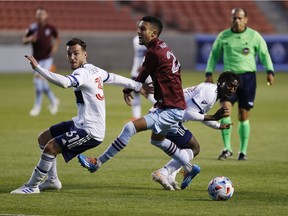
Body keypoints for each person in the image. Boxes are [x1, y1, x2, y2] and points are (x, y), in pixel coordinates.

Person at [10, 38, 151, 194]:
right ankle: (52, 181)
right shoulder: (94, 70)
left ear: (85, 54)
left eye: (76, 53)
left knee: (51, 147)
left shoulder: (82, 73)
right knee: (43, 138)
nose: (72, 57)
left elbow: (64, 83)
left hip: (90, 131)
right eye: (69, 54)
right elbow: (113, 77)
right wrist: (137, 85)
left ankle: (32, 186)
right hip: (79, 123)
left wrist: (38, 68)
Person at [79, 16, 204, 190]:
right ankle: (190, 167)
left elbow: (140, 77)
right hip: (171, 105)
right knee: (157, 141)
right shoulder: (162, 46)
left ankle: (97, 162)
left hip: (170, 108)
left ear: (154, 33)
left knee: (130, 128)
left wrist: (129, 88)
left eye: (143, 29)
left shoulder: (153, 52)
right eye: (138, 28)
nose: (139, 31)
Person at [205, 8, 274, 161]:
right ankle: (227, 148)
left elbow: (264, 54)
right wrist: (209, 72)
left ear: (246, 19)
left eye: (240, 18)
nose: (237, 21)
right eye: (234, 18)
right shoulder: (223, 36)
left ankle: (242, 151)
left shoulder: (254, 36)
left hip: (248, 77)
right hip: (229, 78)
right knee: (225, 110)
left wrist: (270, 71)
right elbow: (214, 54)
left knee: (243, 114)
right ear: (231, 19)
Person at [152, 72, 240, 190]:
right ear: (220, 82)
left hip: (165, 113)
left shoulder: (212, 91)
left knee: (186, 148)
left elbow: (198, 114)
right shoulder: (209, 94)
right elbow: (189, 113)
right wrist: (213, 117)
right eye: (230, 85)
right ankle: (163, 172)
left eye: (235, 87)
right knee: (194, 147)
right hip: (167, 116)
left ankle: (170, 176)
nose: (232, 89)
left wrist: (217, 125)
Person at [23, 7, 60, 116]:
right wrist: (29, 39)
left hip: (47, 59)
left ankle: (37, 106)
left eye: (42, 14)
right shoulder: (32, 28)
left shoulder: (51, 28)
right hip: (36, 60)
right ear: (36, 16)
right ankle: (54, 101)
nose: (40, 16)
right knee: (42, 82)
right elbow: (23, 40)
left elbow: (57, 38)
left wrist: (55, 48)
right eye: (38, 14)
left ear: (46, 15)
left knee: (38, 80)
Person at [130, 34, 156, 120]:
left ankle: (162, 108)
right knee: (142, 93)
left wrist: (142, 65)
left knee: (146, 93)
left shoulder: (136, 39)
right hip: (142, 71)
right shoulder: (151, 39)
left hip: (141, 71)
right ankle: (136, 117)